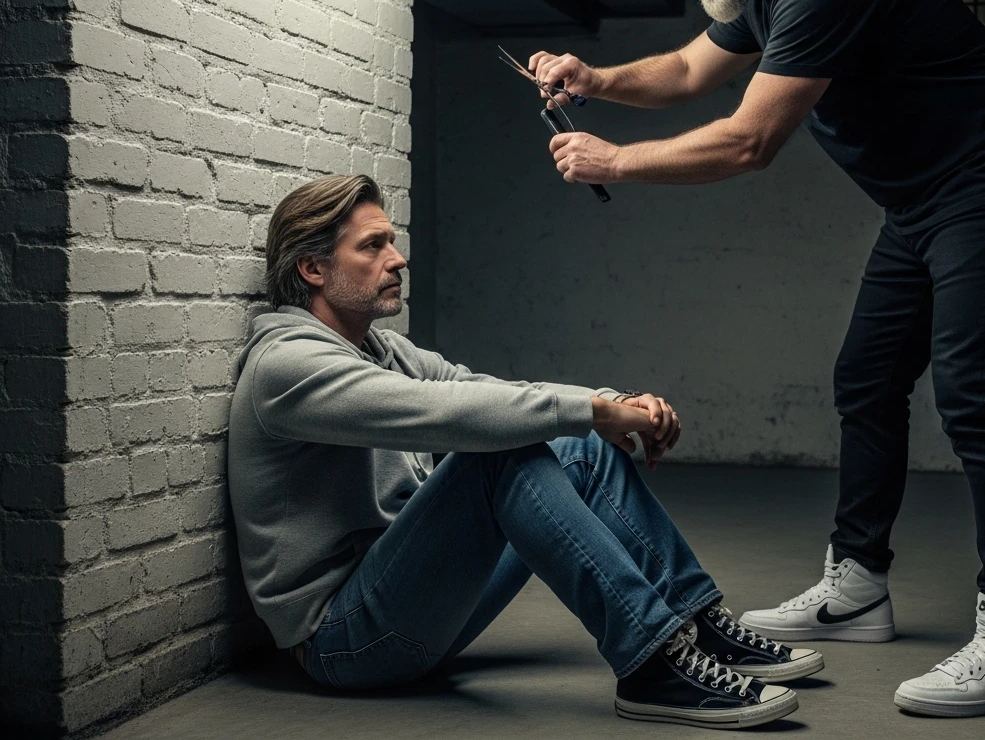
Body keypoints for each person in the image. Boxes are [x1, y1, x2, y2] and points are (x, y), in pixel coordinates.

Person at [528, 0, 985, 718]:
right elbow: (690, 71)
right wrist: (596, 81)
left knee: (974, 395)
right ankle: (857, 588)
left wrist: (615, 160)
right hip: (923, 199)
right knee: (867, 377)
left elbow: (749, 141)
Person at [227, 174, 823, 730]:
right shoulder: (288, 367)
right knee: (496, 450)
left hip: (410, 603)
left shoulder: (381, 349)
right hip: (346, 641)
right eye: (373, 246)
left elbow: (482, 390)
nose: (398, 258)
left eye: (394, 241)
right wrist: (592, 409)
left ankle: (696, 621)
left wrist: (607, 402)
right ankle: (651, 666)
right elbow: (448, 416)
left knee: (574, 446)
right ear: (313, 267)